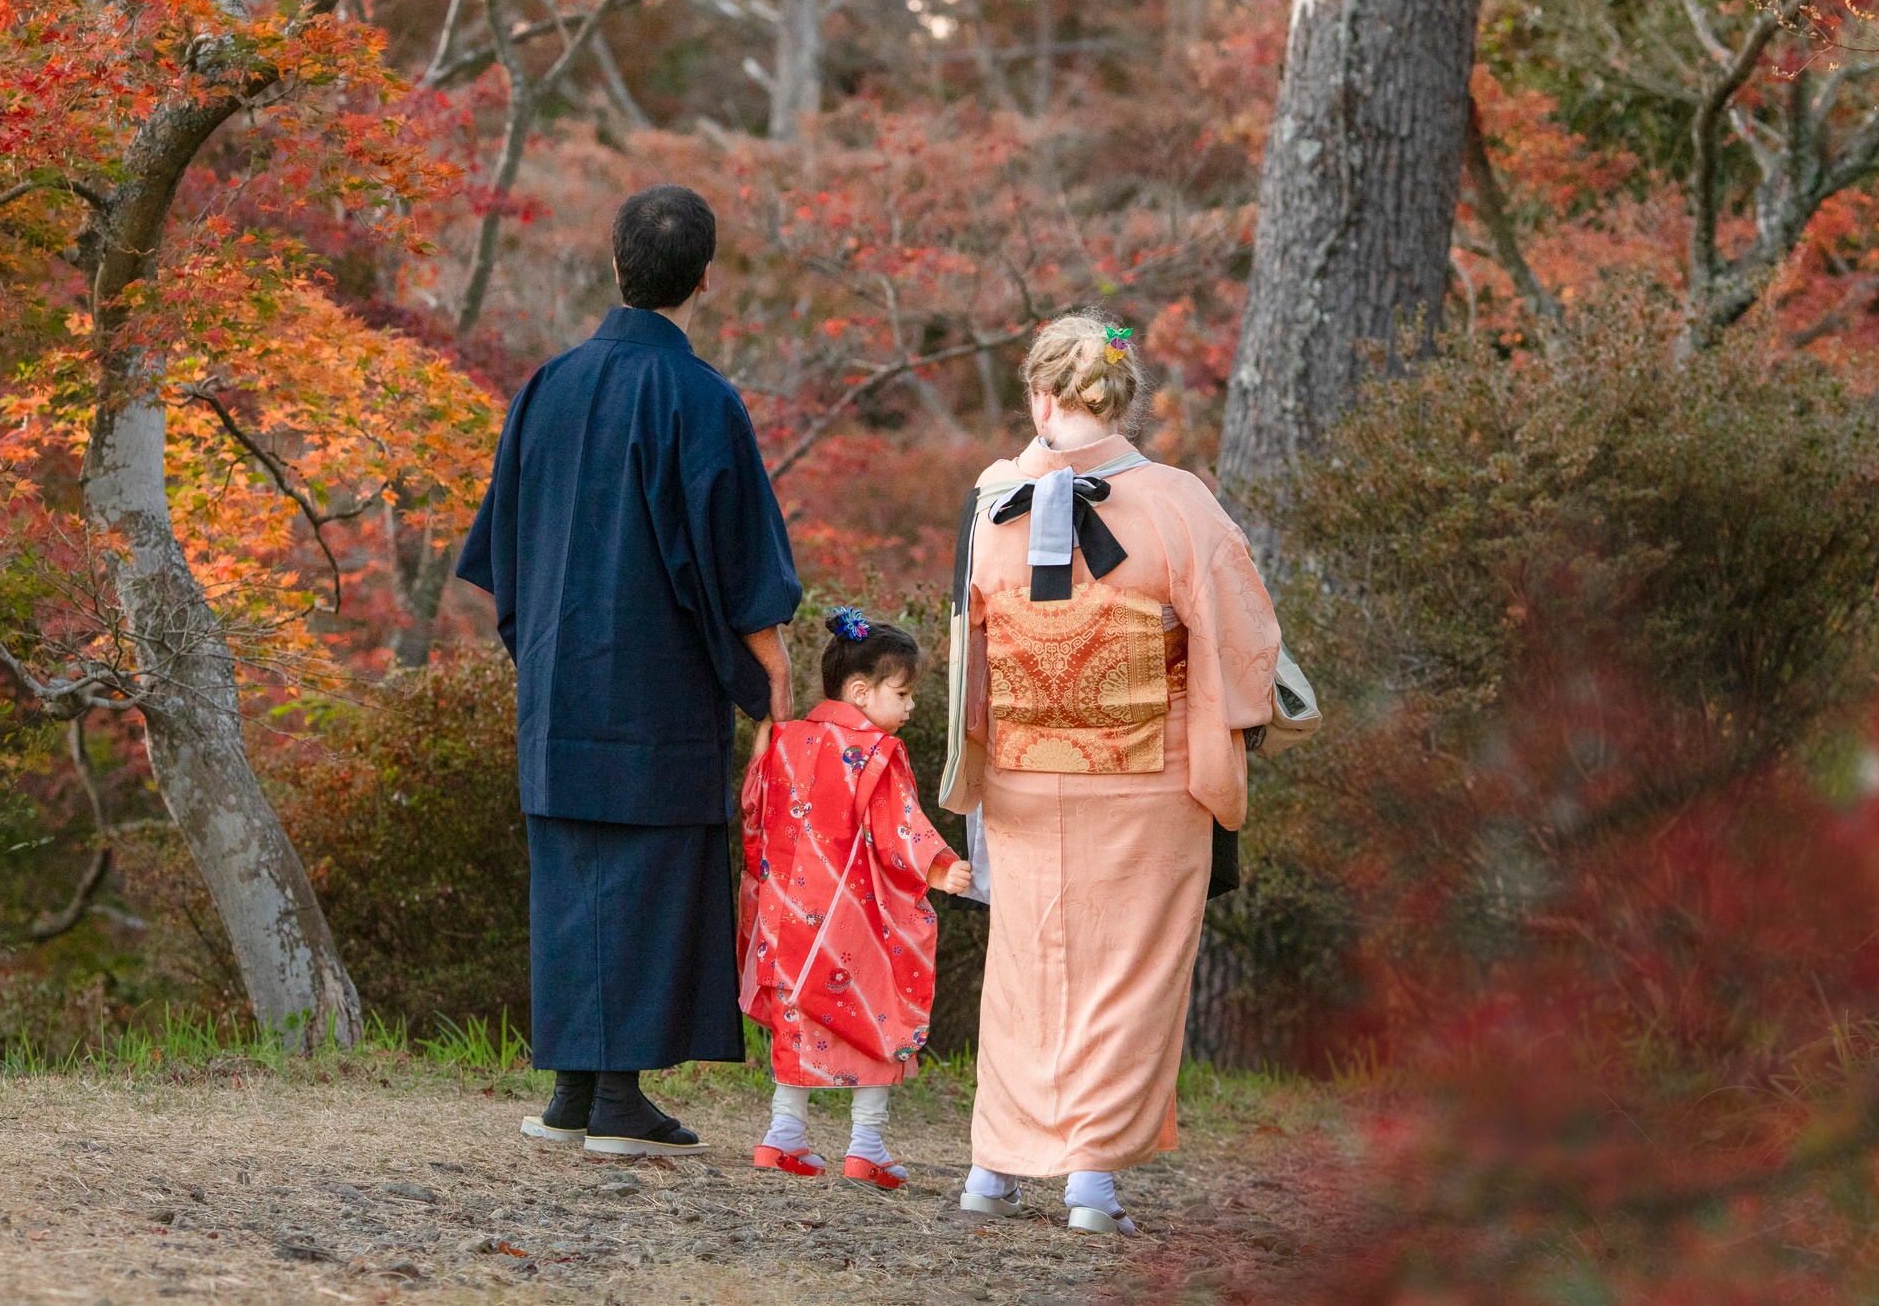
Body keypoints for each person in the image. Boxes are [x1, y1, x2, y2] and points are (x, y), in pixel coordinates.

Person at [455, 185, 803, 1156]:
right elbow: (739, 566)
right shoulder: (701, 398)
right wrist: (773, 680)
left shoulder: (547, 386)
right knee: (644, 882)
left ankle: (575, 1090)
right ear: (705, 277)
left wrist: (540, 649)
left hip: (559, 679)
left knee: (576, 880)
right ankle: (612, 1100)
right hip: (655, 687)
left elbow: (505, 551)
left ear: (615, 264)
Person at [940, 312, 1280, 1234]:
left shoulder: (991, 502)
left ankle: (992, 1168)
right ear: (1124, 396)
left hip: (1023, 770)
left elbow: (970, 652)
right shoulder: (1178, 501)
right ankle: (1090, 1183)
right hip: (1145, 776)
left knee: (1024, 967)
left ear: (1041, 397)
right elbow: (1244, 639)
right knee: (1127, 973)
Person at [739, 609, 974, 1188]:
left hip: (788, 917)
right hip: (854, 920)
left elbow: (754, 813)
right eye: (903, 693)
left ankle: (783, 1138)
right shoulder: (876, 752)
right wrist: (940, 868)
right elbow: (899, 827)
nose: (911, 706)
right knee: (877, 1017)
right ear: (861, 692)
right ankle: (866, 1146)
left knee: (798, 1020)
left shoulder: (786, 738)